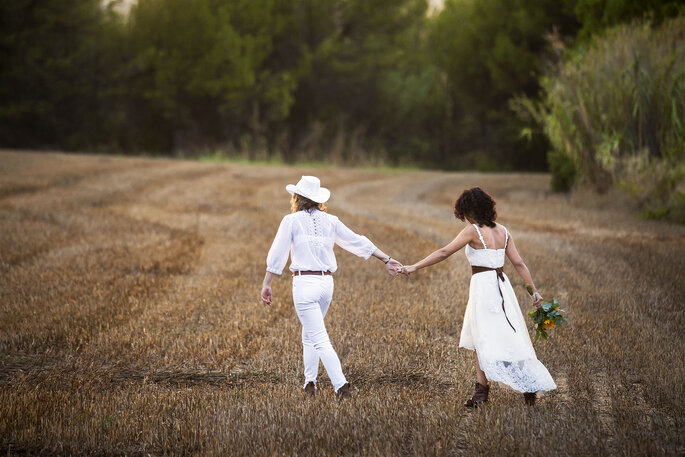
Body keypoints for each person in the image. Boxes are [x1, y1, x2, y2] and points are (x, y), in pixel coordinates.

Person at [400, 187, 556, 406]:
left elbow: (445, 252)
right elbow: (519, 263)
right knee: (510, 335)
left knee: (481, 339)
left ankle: (482, 395)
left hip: (483, 289)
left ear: (469, 211)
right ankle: (527, 387)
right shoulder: (504, 231)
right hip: (503, 289)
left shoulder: (473, 230)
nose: (466, 219)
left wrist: (414, 266)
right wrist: (535, 292)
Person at [261, 175, 403, 401]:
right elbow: (357, 241)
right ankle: (310, 383)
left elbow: (277, 254)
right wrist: (386, 259)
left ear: (297, 197)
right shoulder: (331, 220)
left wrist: (267, 283)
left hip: (305, 284)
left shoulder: (291, 220)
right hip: (326, 284)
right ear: (317, 199)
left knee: (318, 337)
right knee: (309, 334)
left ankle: (341, 385)